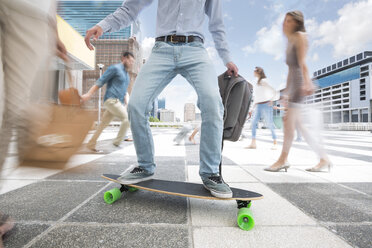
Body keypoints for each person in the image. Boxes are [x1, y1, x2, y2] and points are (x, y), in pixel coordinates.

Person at [85, 0, 239, 198]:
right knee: (136, 105)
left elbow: (217, 25)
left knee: (212, 102)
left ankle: (211, 173)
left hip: (195, 50)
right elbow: (130, 8)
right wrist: (102, 26)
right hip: (162, 49)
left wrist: (227, 58)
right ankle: (145, 166)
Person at [0, 0, 68, 245]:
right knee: (10, 112)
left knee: (10, 112)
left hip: (29, 11)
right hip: (30, 13)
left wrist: (54, 30)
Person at [265, 11, 331, 173]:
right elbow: (289, 70)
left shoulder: (300, 36)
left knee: (289, 125)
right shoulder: (289, 41)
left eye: (288, 21)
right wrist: (285, 94)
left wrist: (307, 83)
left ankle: (282, 160)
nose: (284, 23)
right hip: (293, 86)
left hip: (299, 85)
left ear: (296, 23)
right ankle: (323, 159)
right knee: (300, 126)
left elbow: (302, 64)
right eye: (284, 20)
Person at [81, 52, 134, 152]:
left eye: (132, 62)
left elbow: (124, 91)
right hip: (111, 101)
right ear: (123, 58)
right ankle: (117, 142)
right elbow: (101, 81)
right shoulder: (115, 68)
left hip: (118, 102)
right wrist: (89, 94)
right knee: (126, 119)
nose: (131, 63)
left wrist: (126, 103)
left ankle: (91, 144)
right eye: (130, 61)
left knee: (102, 125)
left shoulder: (126, 75)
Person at [246, 67, 278, 150]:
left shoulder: (264, 81)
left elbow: (274, 90)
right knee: (253, 123)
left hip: (266, 104)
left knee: (269, 124)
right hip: (259, 105)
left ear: (258, 72)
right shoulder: (256, 83)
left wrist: (272, 100)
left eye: (254, 71)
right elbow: (256, 98)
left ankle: (275, 143)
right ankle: (253, 144)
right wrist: (252, 108)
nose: (253, 72)